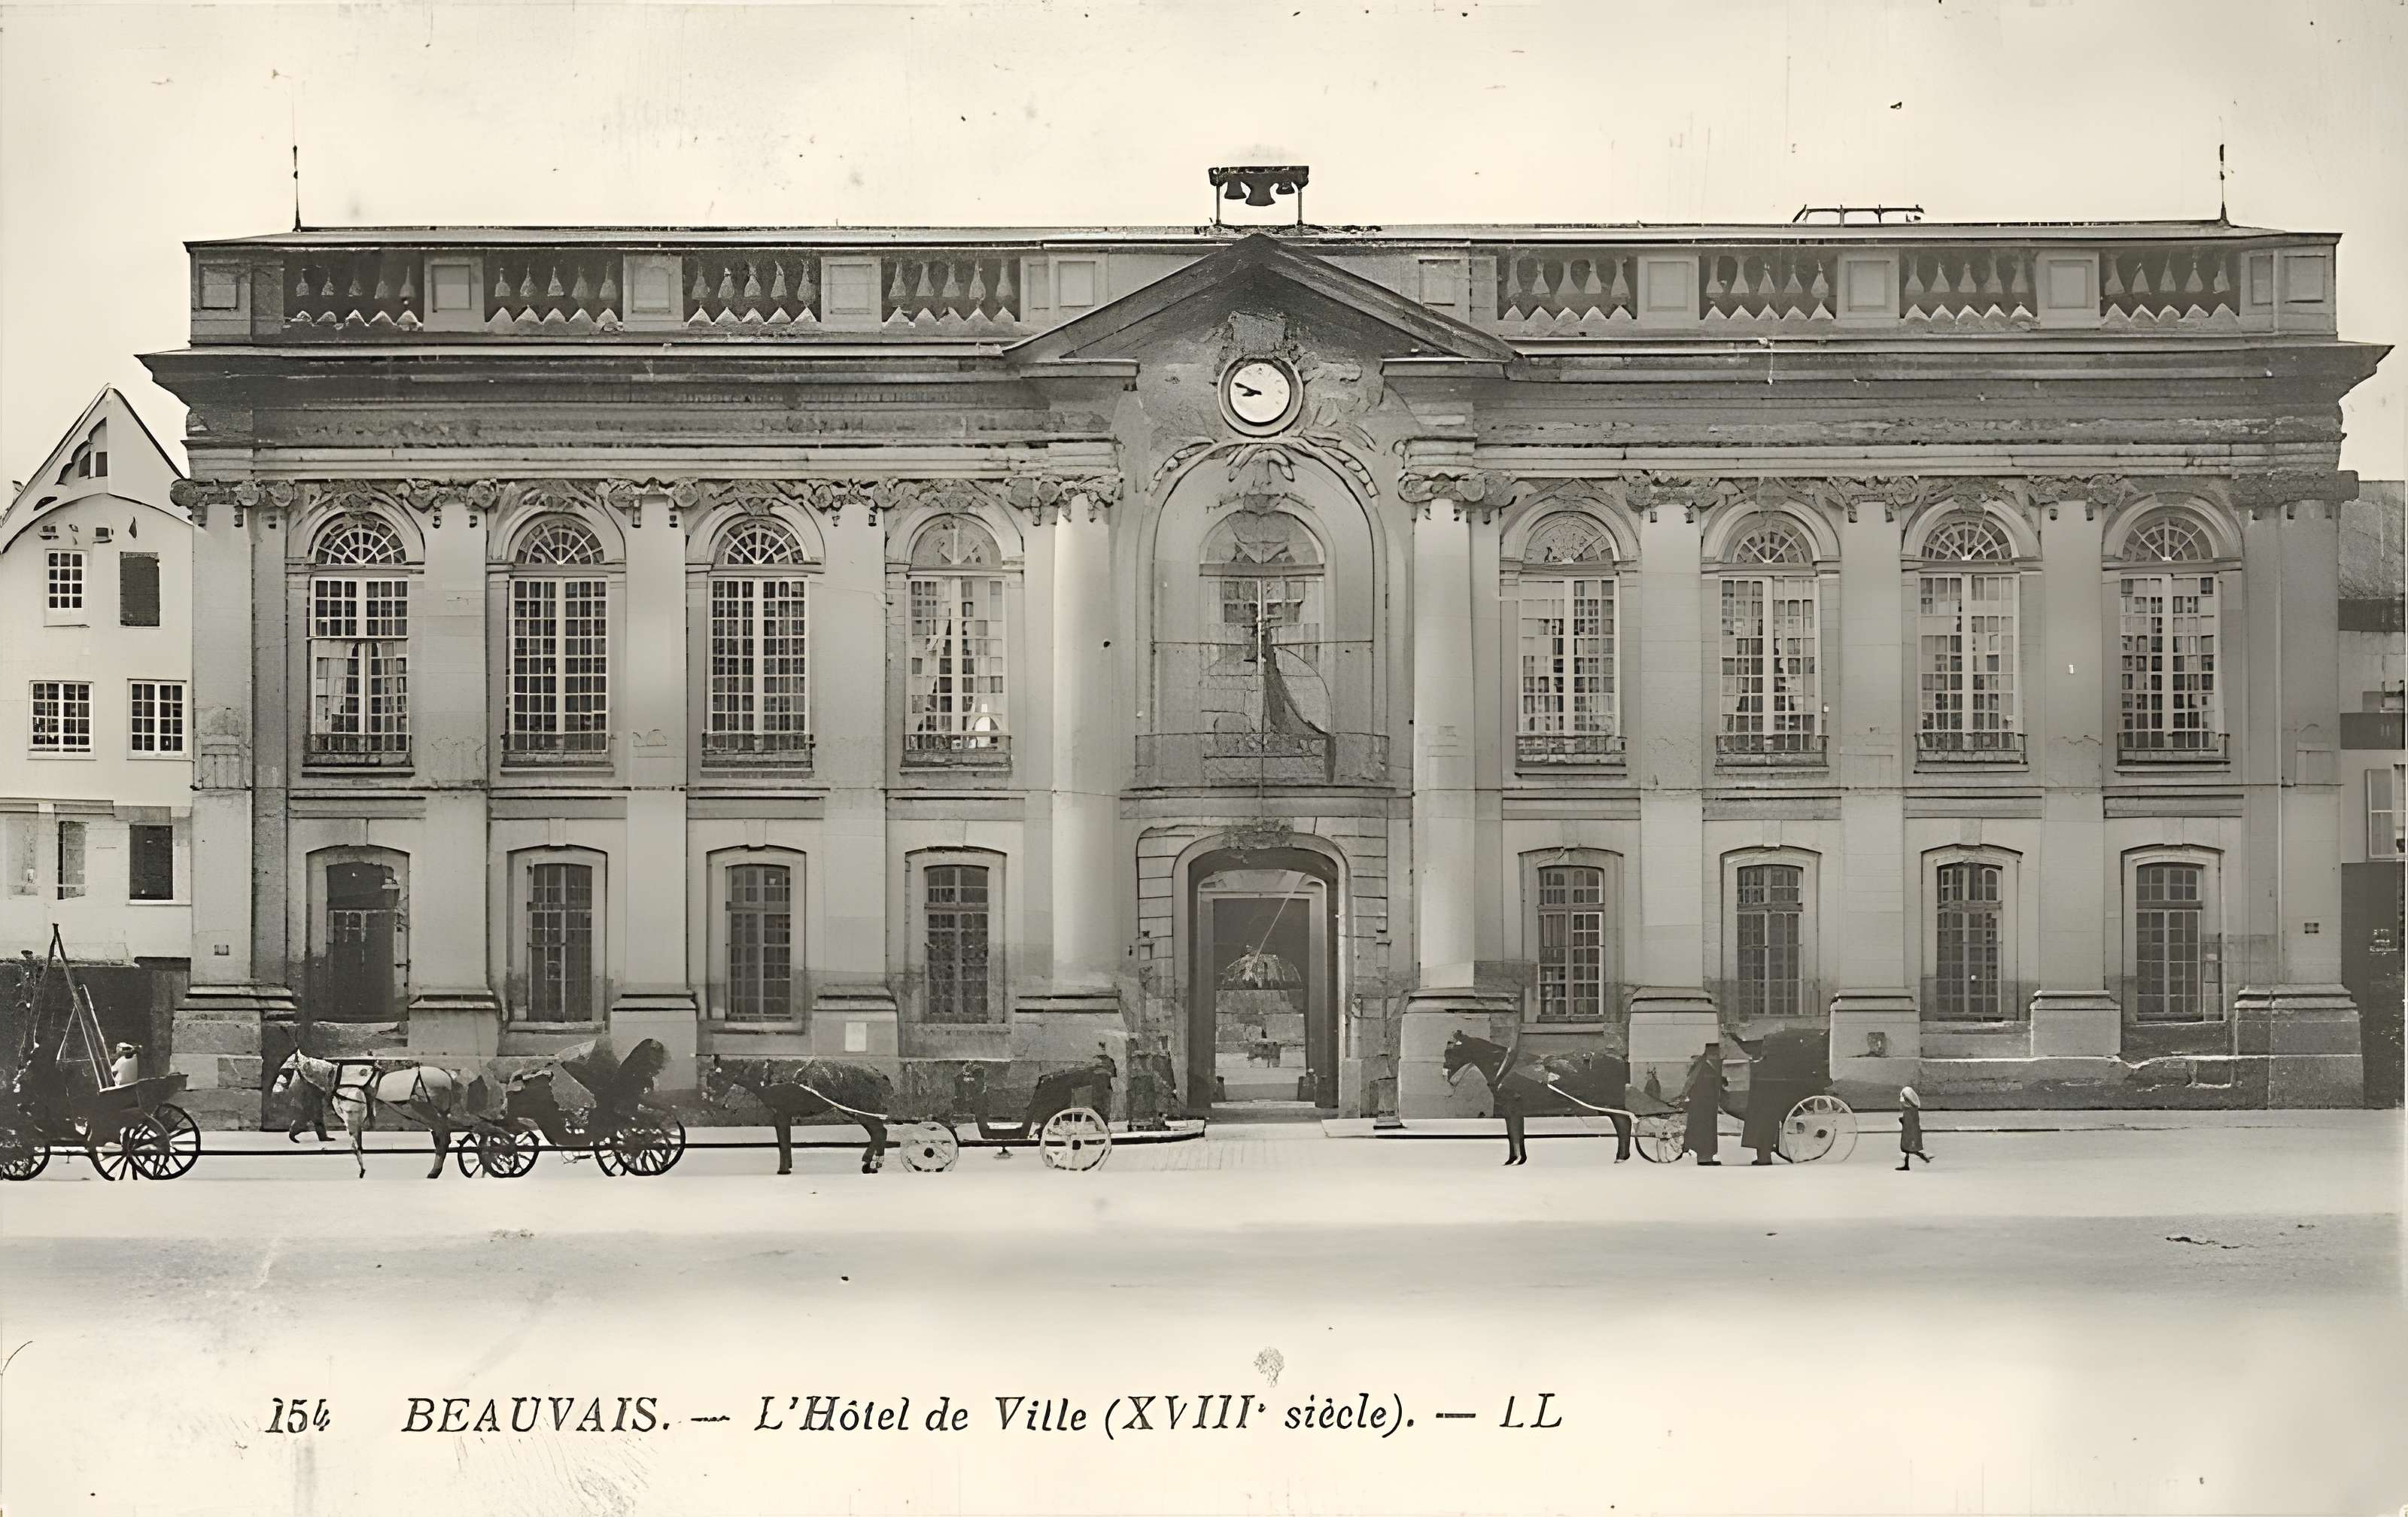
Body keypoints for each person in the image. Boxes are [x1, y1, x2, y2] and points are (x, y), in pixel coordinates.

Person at [1680, 1042, 1724, 1166]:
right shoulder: (1704, 1067)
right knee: (1705, 1131)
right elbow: (1693, 1083)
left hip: (1707, 1105)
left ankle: (1707, 1157)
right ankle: (1704, 1158)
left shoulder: (1707, 1066)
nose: (1718, 1056)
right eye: (1716, 1053)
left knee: (1707, 1130)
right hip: (1703, 1105)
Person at [1898, 1086, 1932, 1170]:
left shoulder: (1909, 1110)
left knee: (1908, 1149)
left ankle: (1920, 1158)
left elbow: (1908, 1122)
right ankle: (1909, 1163)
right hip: (1910, 1131)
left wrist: (1902, 1120)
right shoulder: (1913, 1108)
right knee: (1908, 1149)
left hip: (1909, 1133)